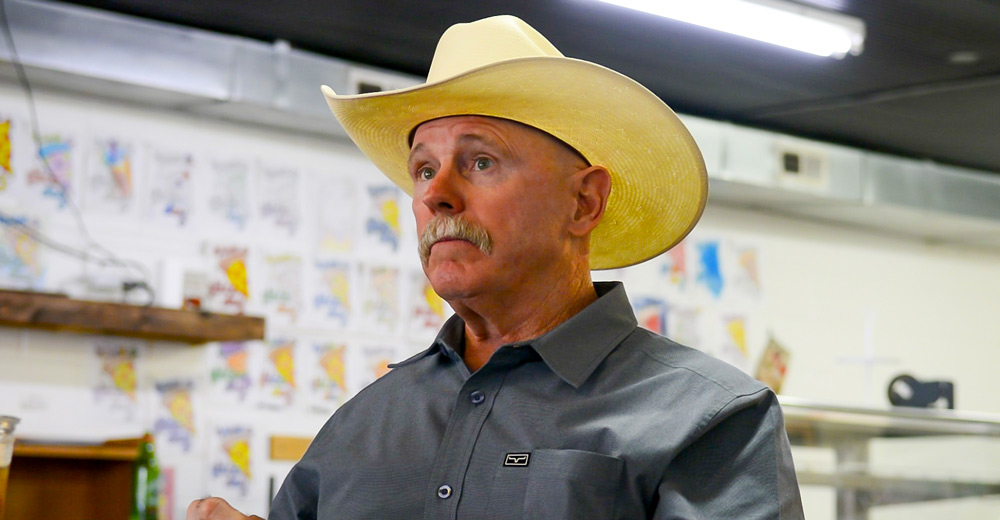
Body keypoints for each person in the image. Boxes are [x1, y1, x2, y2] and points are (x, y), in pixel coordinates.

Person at [188, 15, 804, 520]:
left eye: (481, 162)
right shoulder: (363, 424)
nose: (438, 194)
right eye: (424, 169)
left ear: (583, 201)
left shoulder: (712, 420)